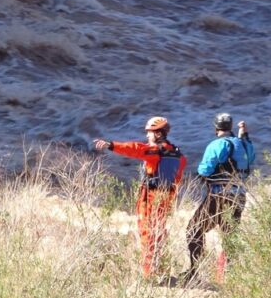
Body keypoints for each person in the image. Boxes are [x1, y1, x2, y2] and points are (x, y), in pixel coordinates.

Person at [93, 116, 187, 278]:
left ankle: (148, 274)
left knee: (147, 232)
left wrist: (112, 145)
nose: (147, 136)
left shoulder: (155, 151)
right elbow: (177, 178)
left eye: (149, 133)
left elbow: (135, 148)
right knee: (159, 232)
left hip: (150, 197)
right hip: (167, 197)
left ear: (158, 134)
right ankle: (160, 268)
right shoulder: (178, 154)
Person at [183, 113, 255, 283]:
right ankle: (226, 276)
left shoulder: (217, 144)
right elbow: (249, 157)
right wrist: (243, 134)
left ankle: (194, 272)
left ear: (216, 128)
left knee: (194, 230)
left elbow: (205, 170)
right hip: (239, 196)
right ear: (230, 127)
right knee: (229, 235)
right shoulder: (245, 145)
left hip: (219, 195)